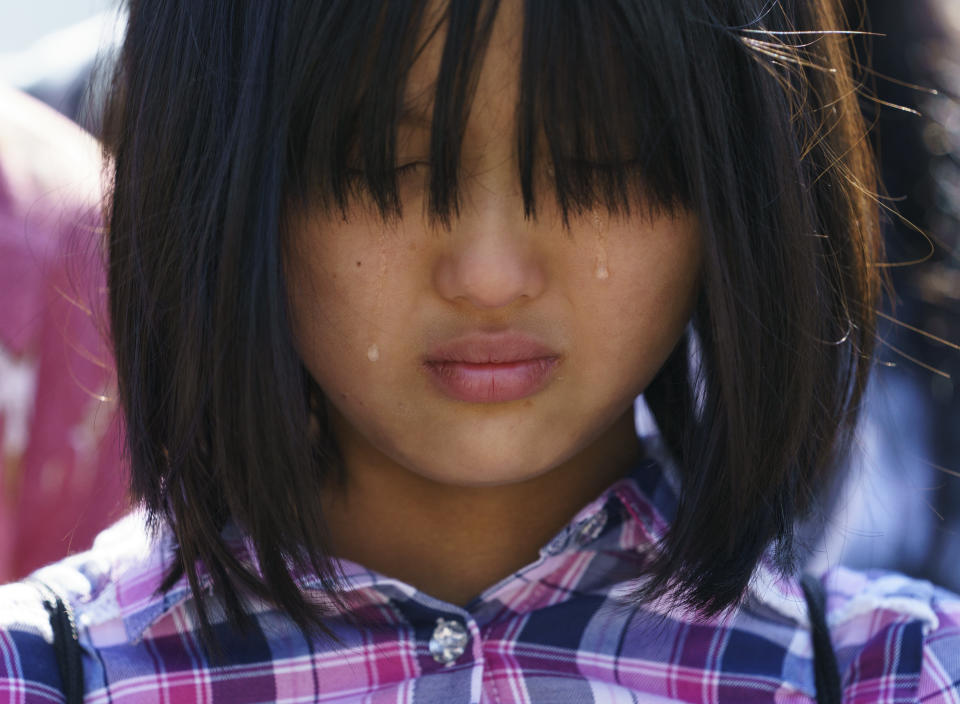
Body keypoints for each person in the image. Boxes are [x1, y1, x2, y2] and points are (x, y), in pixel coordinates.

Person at [1, 0, 958, 702]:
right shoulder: (45, 672)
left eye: (603, 161)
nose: (491, 273)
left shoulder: (898, 675)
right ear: (220, 165)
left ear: (737, 176)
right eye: (382, 164)